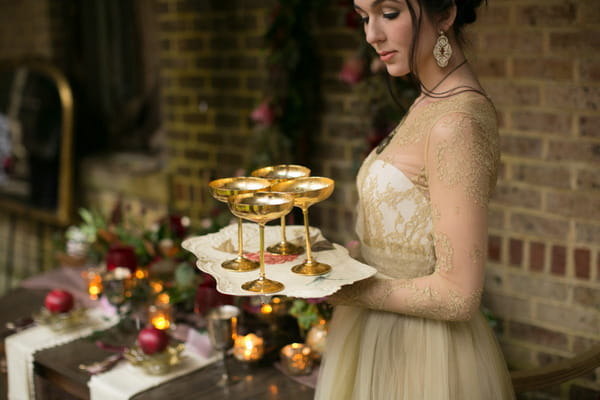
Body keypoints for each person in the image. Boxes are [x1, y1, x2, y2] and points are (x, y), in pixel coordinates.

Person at [316, 0, 515, 398]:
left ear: (445, 14)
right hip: (375, 335)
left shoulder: (456, 123)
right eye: (364, 17)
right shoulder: (429, 101)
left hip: (423, 356)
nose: (372, 35)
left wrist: (348, 288)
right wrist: (342, 258)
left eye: (388, 13)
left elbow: (459, 296)